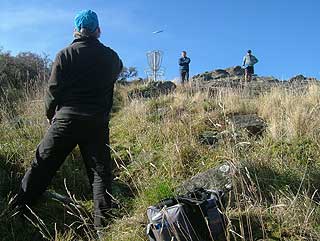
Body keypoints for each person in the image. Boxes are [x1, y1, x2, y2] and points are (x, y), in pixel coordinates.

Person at [6, 9, 123, 230]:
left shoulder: (64, 55)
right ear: (98, 30)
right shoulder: (111, 57)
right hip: (97, 123)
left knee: (42, 164)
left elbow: (53, 90)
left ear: (76, 31)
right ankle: (103, 227)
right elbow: (118, 69)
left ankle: (18, 210)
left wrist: (51, 115)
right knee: (100, 173)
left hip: (66, 120)